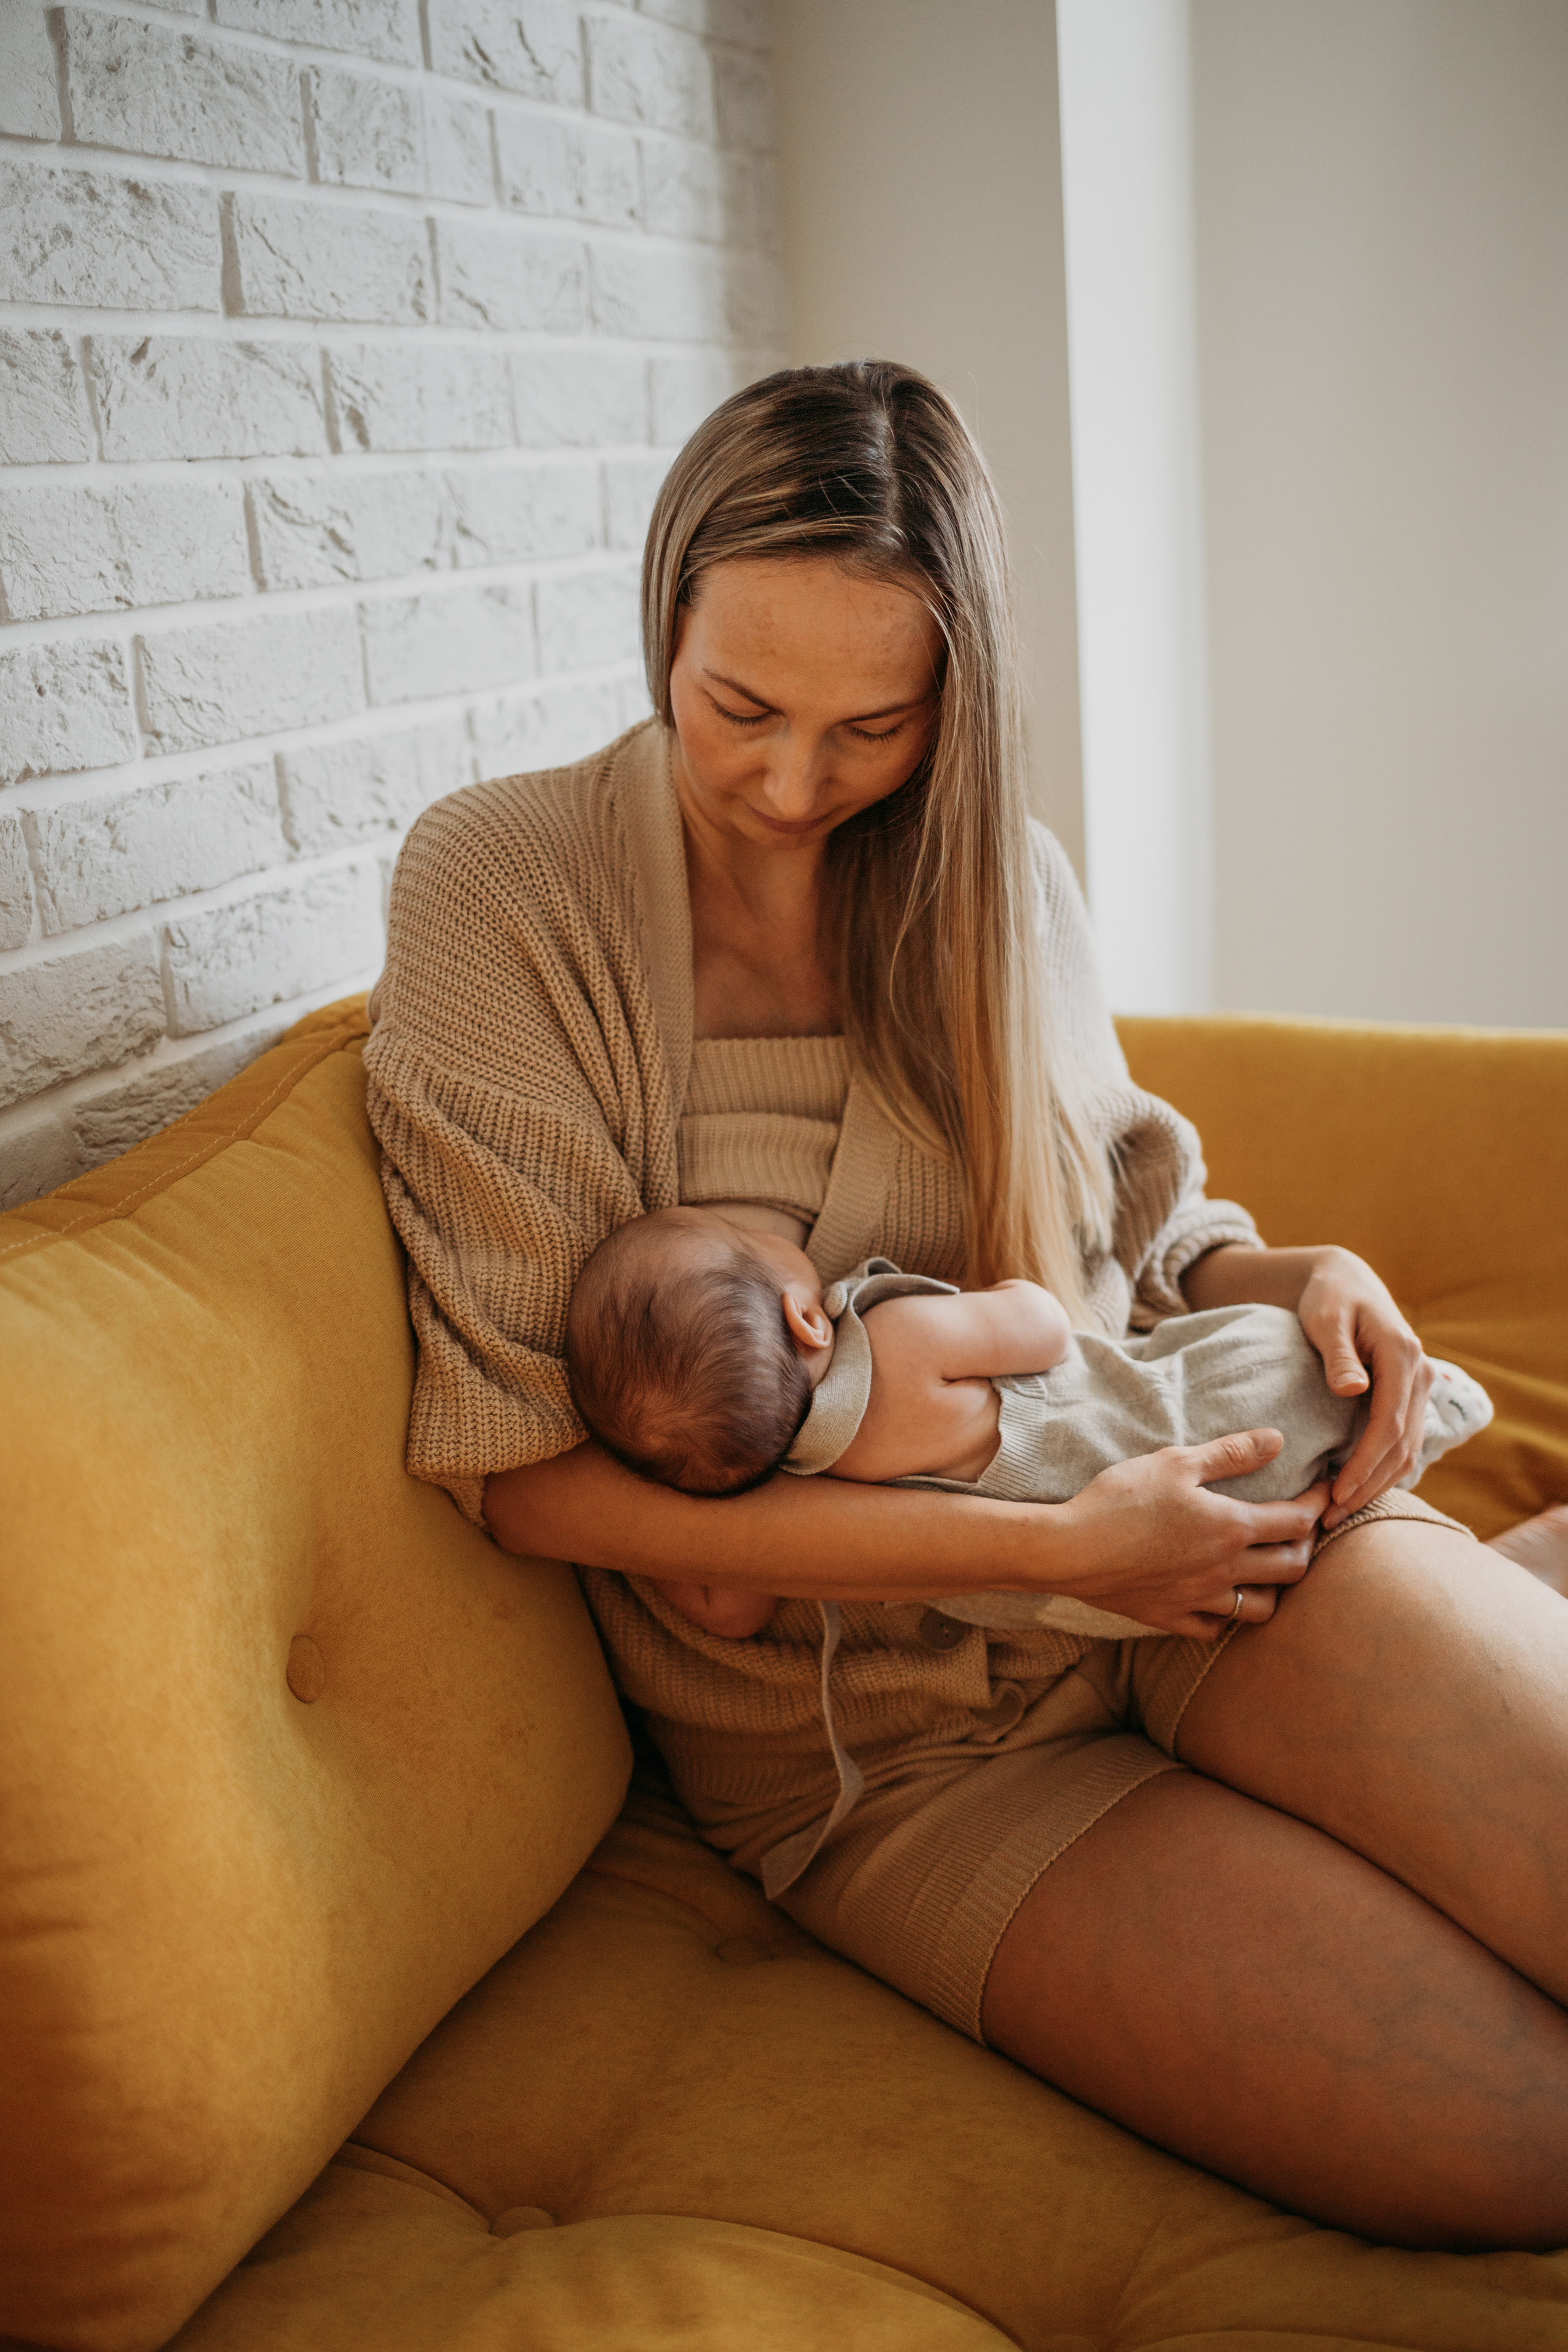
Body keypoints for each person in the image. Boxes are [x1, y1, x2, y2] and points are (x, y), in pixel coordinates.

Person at [365, 359, 1568, 2251]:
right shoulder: (503, 889)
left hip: (1218, 1542)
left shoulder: (1007, 879)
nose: (787, 784)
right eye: (739, 705)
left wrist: (1298, 1276)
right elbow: (530, 1479)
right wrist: (1066, 1554)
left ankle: (1492, 1594)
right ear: (662, 614)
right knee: (1521, 2145)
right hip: (893, 1750)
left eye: (872, 728)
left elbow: (1153, 1249)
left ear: (959, 705)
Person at [560, 1202, 1493, 1654]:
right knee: (1232, 1371)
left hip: (1139, 1596)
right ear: (807, 1320)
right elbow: (1044, 1325)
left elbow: (733, 1611)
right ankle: (1429, 1407)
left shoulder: (798, 1502)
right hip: (1178, 1436)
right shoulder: (893, 1337)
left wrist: (671, 1507)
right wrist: (985, 1289)